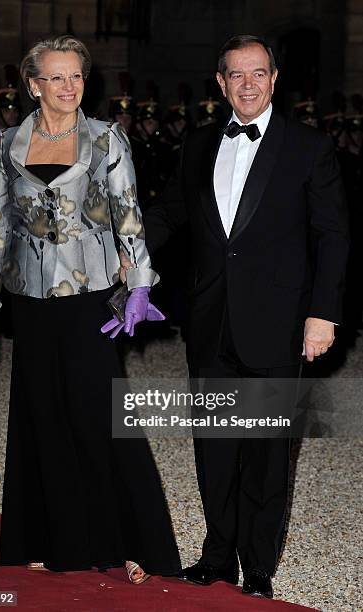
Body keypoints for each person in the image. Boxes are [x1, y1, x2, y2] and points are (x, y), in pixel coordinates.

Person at [140, 35, 349, 598]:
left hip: (277, 323)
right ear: (221, 82)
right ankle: (216, 557)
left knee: (263, 451)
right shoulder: (199, 144)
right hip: (210, 321)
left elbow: (332, 237)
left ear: (275, 79)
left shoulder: (308, 147)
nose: (249, 84)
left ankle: (258, 566)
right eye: (237, 75)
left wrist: (322, 314)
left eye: (259, 73)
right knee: (215, 446)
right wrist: (126, 253)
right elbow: (170, 212)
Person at [0, 35, 180, 581]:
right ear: (34, 85)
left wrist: (139, 285)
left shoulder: (106, 137)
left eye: (77, 77)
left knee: (101, 415)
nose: (70, 87)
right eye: (57, 78)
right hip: (30, 301)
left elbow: (128, 214)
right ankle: (53, 538)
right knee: (41, 415)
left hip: (89, 298)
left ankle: (134, 542)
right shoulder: (7, 142)